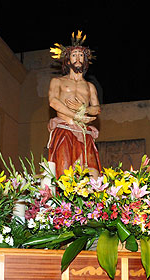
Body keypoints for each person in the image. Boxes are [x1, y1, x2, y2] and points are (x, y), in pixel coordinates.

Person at [48, 31, 102, 178]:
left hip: (84, 133)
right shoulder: (58, 82)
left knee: (92, 172)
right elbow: (53, 101)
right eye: (74, 55)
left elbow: (97, 109)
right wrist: (75, 116)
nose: (77, 58)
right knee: (64, 171)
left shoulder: (90, 86)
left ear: (85, 59)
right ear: (68, 60)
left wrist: (83, 108)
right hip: (64, 130)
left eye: (81, 55)